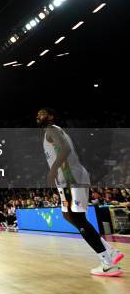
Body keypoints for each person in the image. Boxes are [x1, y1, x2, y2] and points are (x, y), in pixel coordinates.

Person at [37, 108, 125, 276]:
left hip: (71, 179)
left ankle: (108, 262)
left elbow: (65, 149)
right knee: (69, 216)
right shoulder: (55, 131)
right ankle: (109, 252)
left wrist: (53, 170)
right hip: (70, 178)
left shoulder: (52, 129)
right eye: (37, 114)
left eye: (43, 113)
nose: (39, 116)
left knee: (76, 217)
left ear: (51, 116)